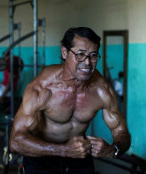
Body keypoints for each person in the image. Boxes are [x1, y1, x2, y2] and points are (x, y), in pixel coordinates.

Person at [9, 27, 131, 174]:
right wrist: (64, 150)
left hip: (79, 157)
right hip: (41, 157)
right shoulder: (43, 88)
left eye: (93, 55)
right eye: (80, 54)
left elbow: (121, 132)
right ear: (65, 53)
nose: (87, 62)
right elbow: (16, 141)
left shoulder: (102, 89)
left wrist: (113, 150)